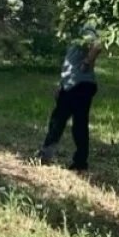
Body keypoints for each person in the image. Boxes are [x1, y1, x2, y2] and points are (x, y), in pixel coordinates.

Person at [38, 25, 102, 172]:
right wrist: (61, 85)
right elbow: (69, 63)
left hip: (80, 84)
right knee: (61, 121)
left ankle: (77, 162)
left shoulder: (86, 28)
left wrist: (86, 63)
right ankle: (49, 156)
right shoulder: (76, 33)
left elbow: (97, 46)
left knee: (72, 123)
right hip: (70, 84)